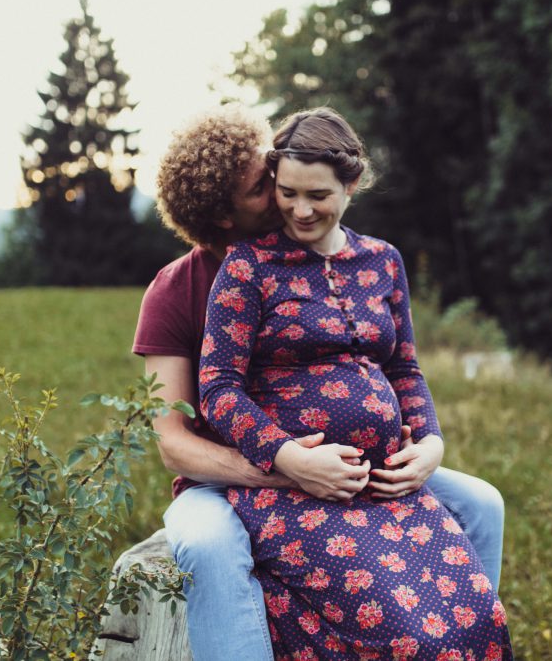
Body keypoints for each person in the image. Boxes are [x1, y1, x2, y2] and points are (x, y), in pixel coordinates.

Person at [133, 104, 505, 660]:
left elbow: (402, 364)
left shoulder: (363, 258)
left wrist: (429, 443)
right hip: (227, 476)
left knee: (482, 503)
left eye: (308, 189)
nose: (293, 201)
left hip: (353, 465)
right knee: (209, 547)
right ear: (226, 217)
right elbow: (172, 439)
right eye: (270, 187)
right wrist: (284, 468)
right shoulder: (183, 289)